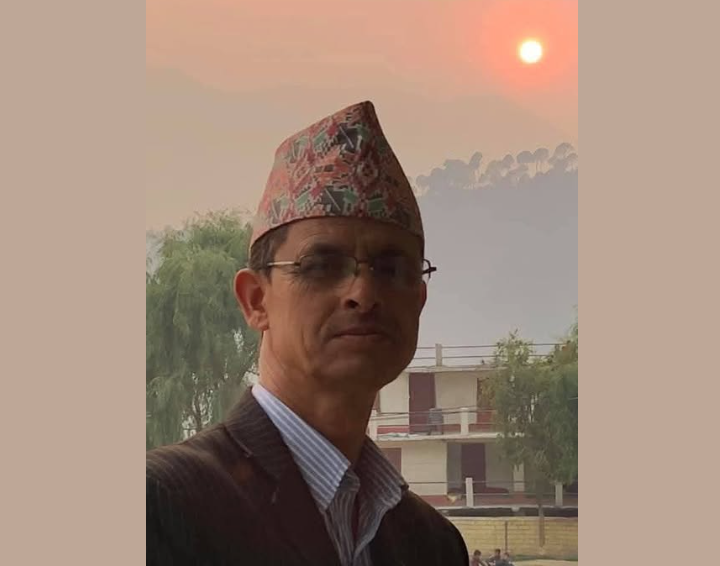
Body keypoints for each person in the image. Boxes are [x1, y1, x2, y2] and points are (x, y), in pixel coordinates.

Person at [146, 101, 469, 565]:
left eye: (391, 268)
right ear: (256, 300)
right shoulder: (162, 505)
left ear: (419, 298)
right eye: (321, 266)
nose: (363, 293)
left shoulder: (431, 544)